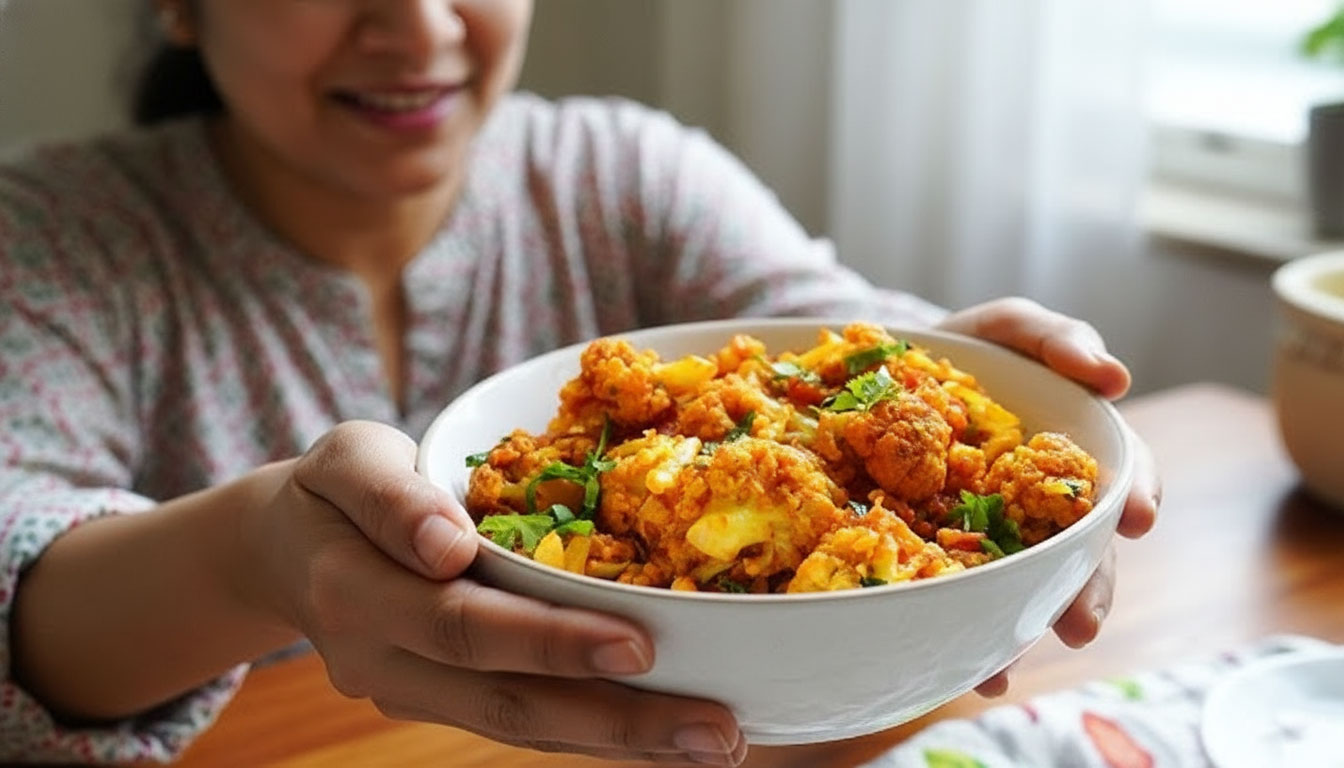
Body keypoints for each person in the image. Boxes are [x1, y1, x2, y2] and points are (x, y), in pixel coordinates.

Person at [0, 0, 1160, 765]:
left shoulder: (622, 170)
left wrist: (969, 372)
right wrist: (250, 555)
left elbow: (820, 322)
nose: (417, 26)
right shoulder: (52, 237)